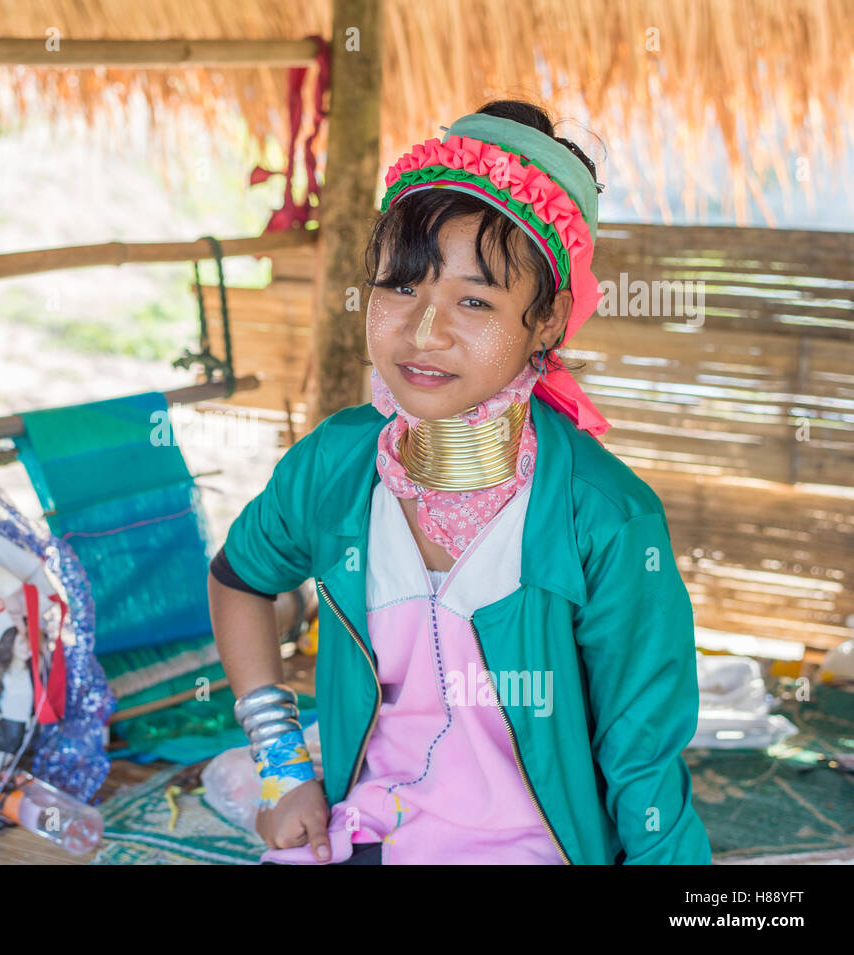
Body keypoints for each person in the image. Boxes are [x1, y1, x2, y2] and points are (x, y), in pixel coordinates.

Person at [208, 99, 712, 865]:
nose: (423, 330)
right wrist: (282, 769)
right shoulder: (338, 465)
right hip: (368, 834)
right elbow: (240, 578)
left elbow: (643, 765)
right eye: (400, 286)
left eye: (475, 300)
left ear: (547, 320)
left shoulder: (605, 518)